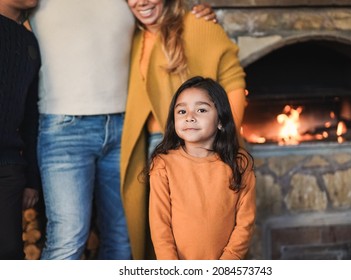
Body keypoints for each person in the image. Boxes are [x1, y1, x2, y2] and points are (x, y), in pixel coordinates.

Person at [28, 0, 216, 260]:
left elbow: (163, 16)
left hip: (124, 131)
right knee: (68, 238)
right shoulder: (36, 2)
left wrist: (198, 12)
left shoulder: (129, 1)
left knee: (122, 236)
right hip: (63, 129)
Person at [121, 0, 248, 259]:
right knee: (157, 239)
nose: (141, 1)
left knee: (207, 238)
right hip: (146, 150)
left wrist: (220, 141)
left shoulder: (200, 25)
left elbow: (234, 83)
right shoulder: (131, 37)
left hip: (197, 148)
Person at [147, 76, 256, 259]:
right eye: (182, 111)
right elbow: (160, 226)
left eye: (201, 109)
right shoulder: (163, 165)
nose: (190, 117)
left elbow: (245, 222)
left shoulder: (239, 164)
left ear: (220, 120)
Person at [0, 0, 41, 260]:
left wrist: (32, 181)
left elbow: (31, 117)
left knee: (10, 253)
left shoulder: (30, 42)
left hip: (10, 169)